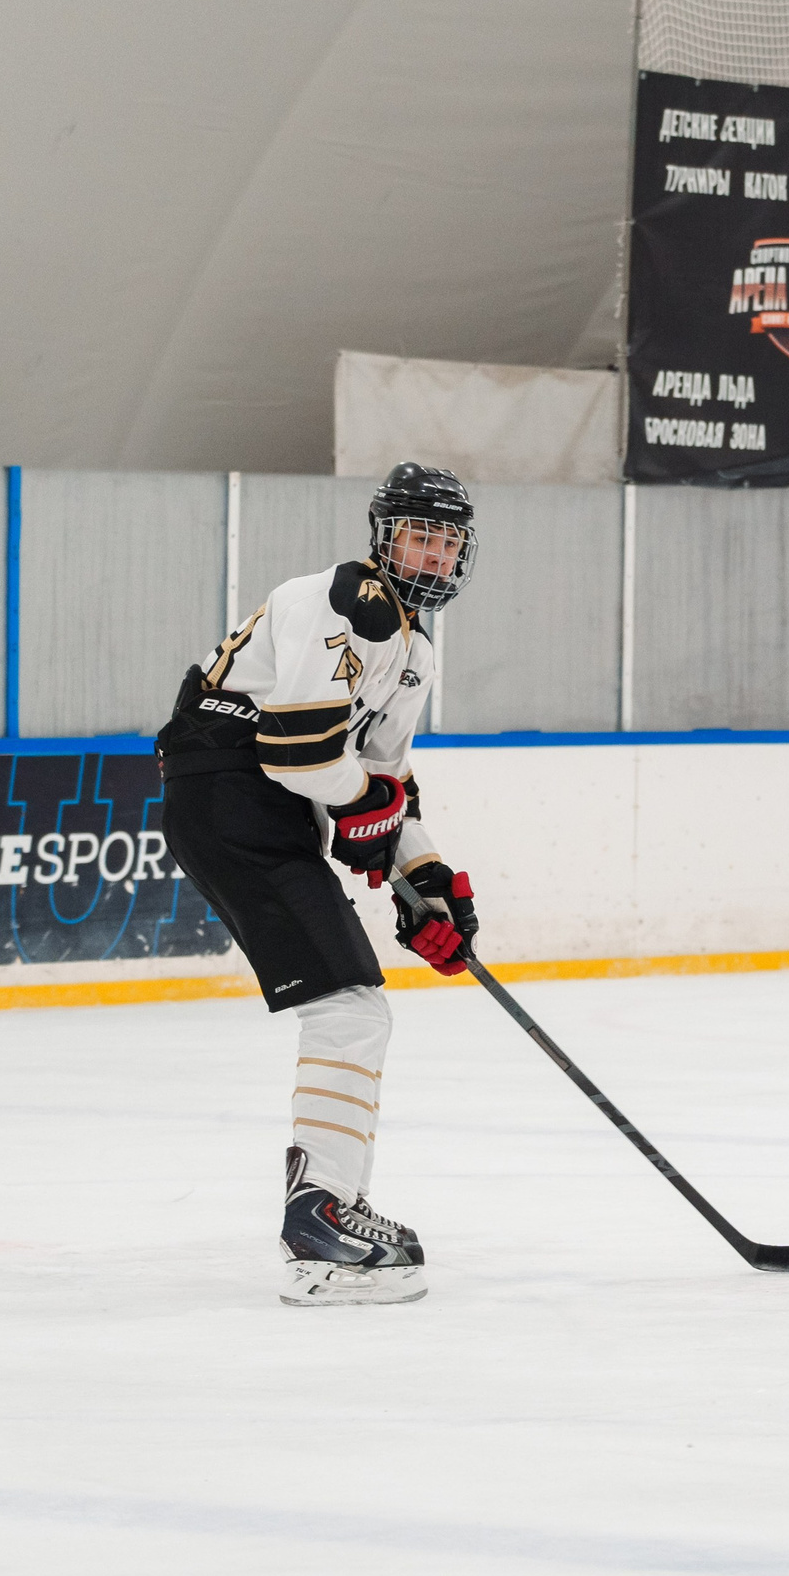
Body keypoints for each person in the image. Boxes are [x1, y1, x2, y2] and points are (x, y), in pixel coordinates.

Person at [155, 462, 481, 1307]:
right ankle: (322, 1225)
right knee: (349, 1006)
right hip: (227, 794)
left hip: (261, 807)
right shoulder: (341, 601)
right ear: (383, 536)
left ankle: (330, 1208)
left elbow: (384, 781)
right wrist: (369, 810)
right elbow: (298, 755)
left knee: (354, 1005)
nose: (432, 555)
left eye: (446, 542)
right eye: (418, 535)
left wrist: (430, 881)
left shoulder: (412, 655)